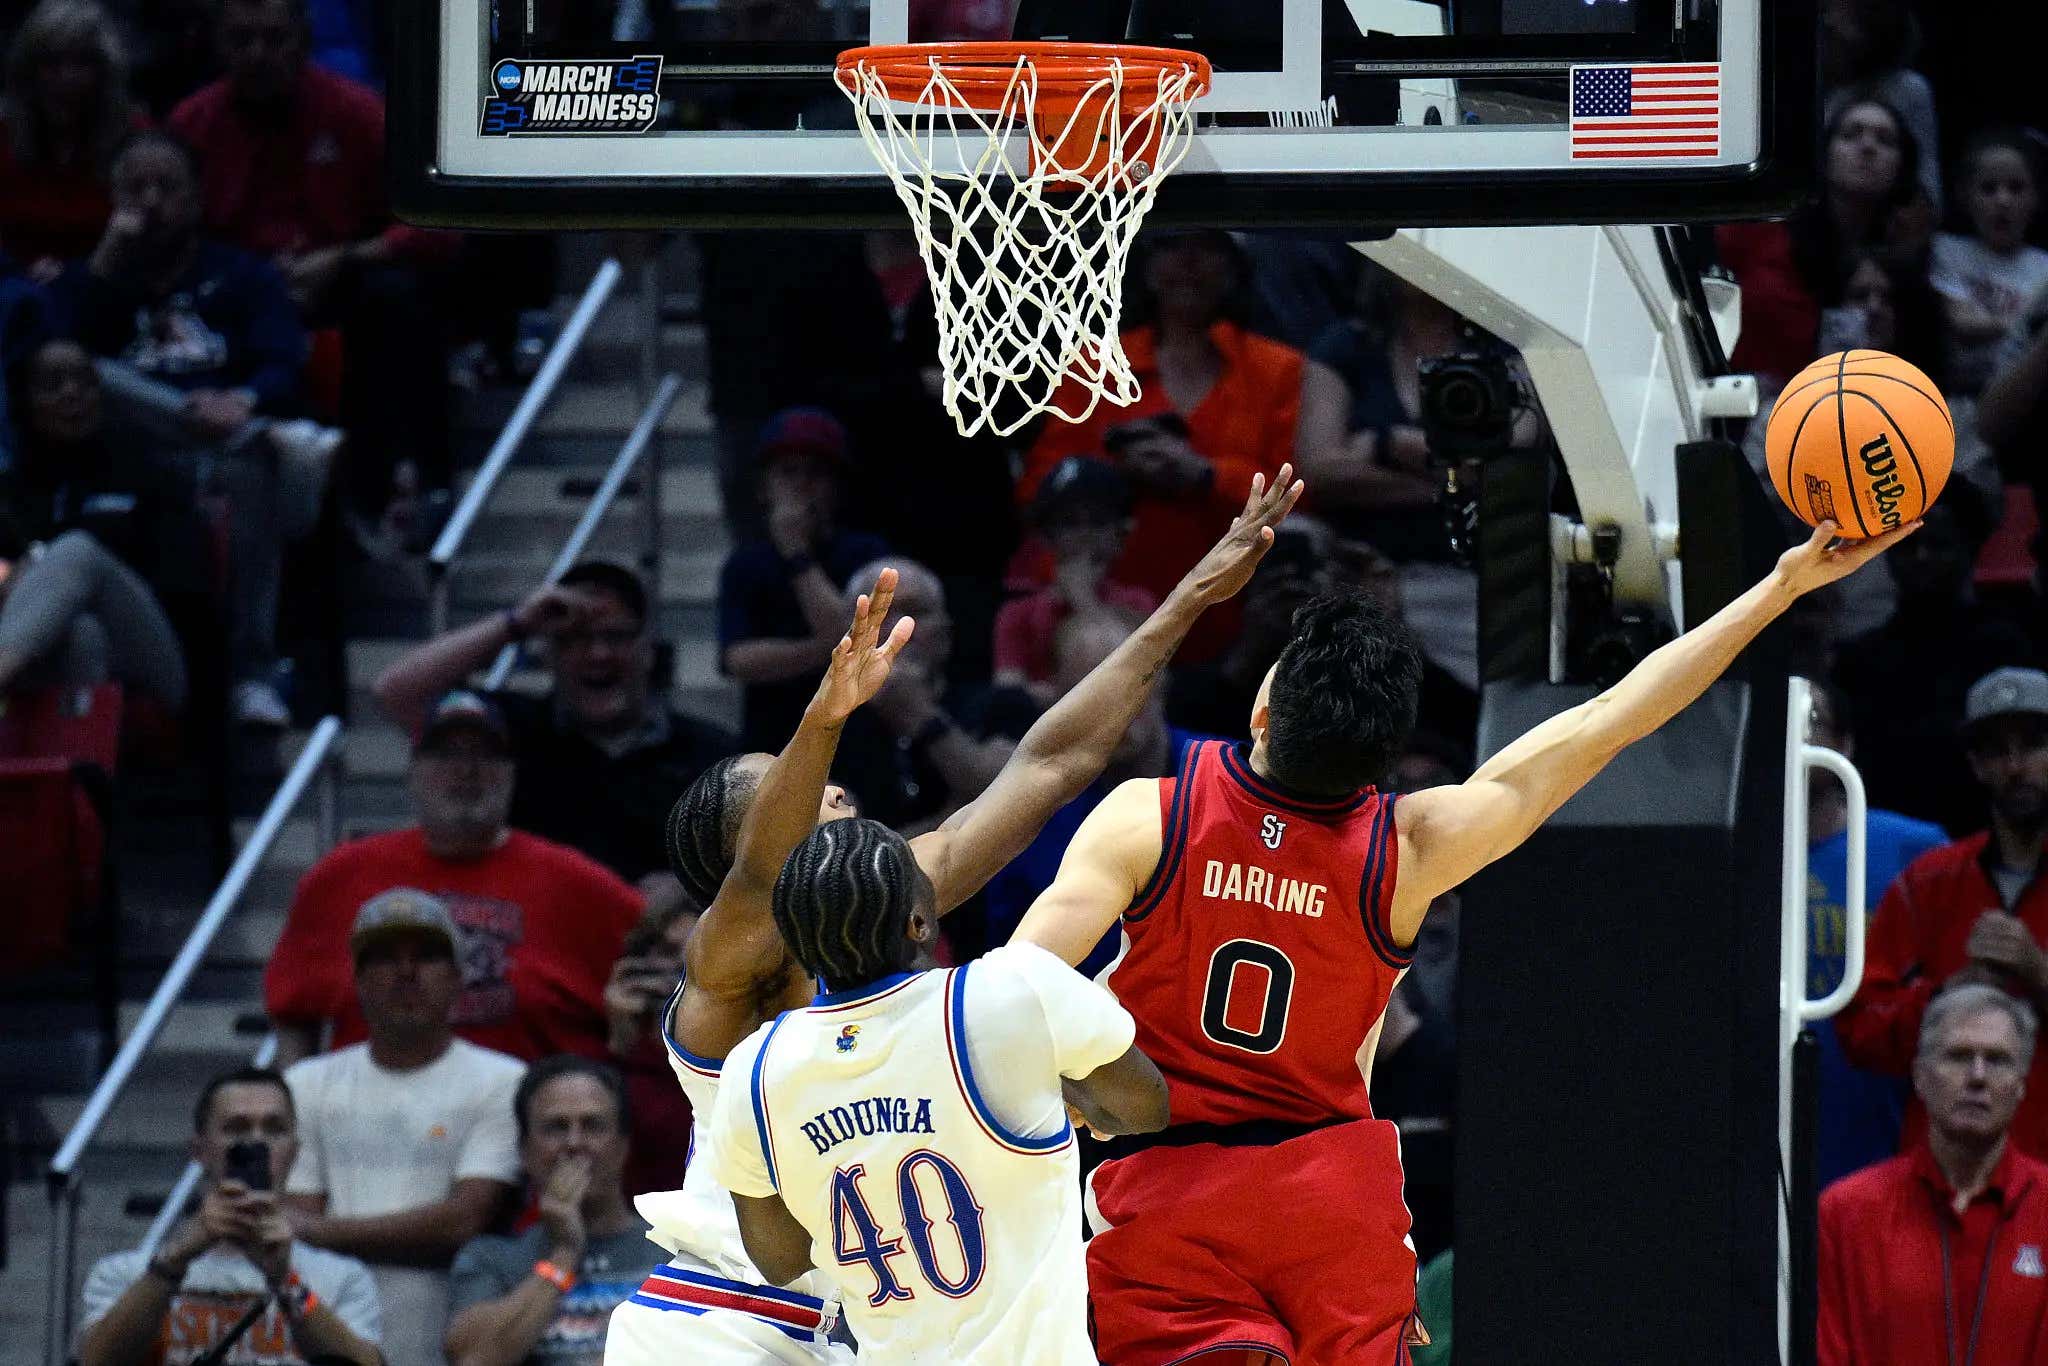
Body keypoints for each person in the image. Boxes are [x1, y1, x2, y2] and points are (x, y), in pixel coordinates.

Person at [1013, 518, 1914, 1363]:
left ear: (1262, 711)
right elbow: (1614, 720)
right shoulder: (1410, 847)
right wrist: (1781, 585)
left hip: (1173, 1192)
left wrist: (1084, 1066)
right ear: (1383, 762)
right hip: (1332, 1195)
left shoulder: (1150, 819)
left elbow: (1011, 993)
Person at [604, 472, 1301, 1364]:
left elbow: (1049, 765)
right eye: (795, 790)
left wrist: (1187, 600)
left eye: (816, 777)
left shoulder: (884, 901)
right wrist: (822, 717)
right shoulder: (729, 977)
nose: (831, 788)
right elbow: (755, 882)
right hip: (717, 1328)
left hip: (847, 1338)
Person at [700, 816, 1170, 1362]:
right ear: (920, 924)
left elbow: (779, 1258)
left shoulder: (752, 1069)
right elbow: (1144, 1106)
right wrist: (1051, 1083)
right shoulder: (1011, 990)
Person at [46, 128, 339, 726]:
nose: (151, 202)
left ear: (196, 197)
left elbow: (285, 358)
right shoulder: (92, 282)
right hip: (123, 449)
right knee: (92, 370)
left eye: (166, 187)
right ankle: (260, 438)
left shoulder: (239, 276)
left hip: (222, 453)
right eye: (135, 189)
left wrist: (246, 397)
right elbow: (53, 361)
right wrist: (104, 259)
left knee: (250, 472)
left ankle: (252, 677)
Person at [168, 0, 457, 525]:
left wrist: (343, 258)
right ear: (219, 46)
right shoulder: (193, 122)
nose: (258, 54)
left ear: (301, 41)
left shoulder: (355, 110)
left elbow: (437, 217)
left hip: (340, 282)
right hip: (229, 292)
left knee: (399, 298)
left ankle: (416, 482)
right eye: (242, 40)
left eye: (273, 39)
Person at [265, 689, 646, 1065]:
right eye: (445, 754)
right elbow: (293, 1016)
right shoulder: (340, 877)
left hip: (531, 1118)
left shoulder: (578, 885)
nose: (465, 771)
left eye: (485, 755)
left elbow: (672, 978)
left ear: (512, 771)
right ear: (412, 769)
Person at [1015, 229, 1304, 661]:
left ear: (1234, 266)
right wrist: (1116, 471)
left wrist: (1203, 474)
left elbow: (1301, 500)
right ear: (1147, 265)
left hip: (1235, 623)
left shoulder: (1277, 369)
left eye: (1207, 246)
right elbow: (1037, 489)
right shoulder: (1095, 363)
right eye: (1172, 244)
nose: (1188, 261)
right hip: (1100, 621)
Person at [372, 560, 737, 882]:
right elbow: (398, 692)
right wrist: (518, 623)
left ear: (649, 651)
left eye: (616, 636)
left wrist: (683, 891)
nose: (599, 653)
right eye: (574, 638)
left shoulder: (712, 756)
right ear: (548, 655)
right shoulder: (508, 732)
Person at [282, 888, 526, 1366]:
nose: (405, 973)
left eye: (426, 957)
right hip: (327, 1334)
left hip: (447, 1336)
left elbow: (465, 1221)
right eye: (384, 959)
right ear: (357, 979)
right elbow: (295, 1220)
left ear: (458, 978)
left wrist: (318, 1230)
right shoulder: (303, 1084)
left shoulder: (506, 1081)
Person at [1837, 667, 2048, 1160]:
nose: (2015, 766)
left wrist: (2039, 974)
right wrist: (1946, 997)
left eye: (2034, 745)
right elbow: (1859, 1033)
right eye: (1996, 750)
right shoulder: (1928, 882)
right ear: (1976, 765)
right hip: (1942, 1180)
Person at [77, 1067, 382, 1366]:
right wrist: (172, 1263)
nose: (256, 1142)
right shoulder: (125, 1274)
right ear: (199, 1150)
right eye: (236, 1128)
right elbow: (94, 1360)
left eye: (274, 1129)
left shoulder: (342, 1279)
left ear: (294, 1150)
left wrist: (286, 1282)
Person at [1819, 984, 2048, 1366]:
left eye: (1997, 1060)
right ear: (1920, 1077)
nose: (1977, 1076)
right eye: (1958, 1056)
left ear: (2021, 1086)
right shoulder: (1846, 1213)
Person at [981, 609, 1211, 972]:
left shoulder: (1233, 777)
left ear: (1161, 680)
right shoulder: (1031, 810)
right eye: (1093, 696)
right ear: (1059, 703)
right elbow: (1003, 967)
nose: (1115, 711)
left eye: (1132, 685)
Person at [1803, 681, 1947, 1190]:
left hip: (1885, 1111)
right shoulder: (1735, 855)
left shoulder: (1915, 848)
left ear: (1845, 745)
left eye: (1811, 719)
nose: (1795, 734)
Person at [446, 1057, 666, 1366]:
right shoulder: (490, 1258)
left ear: (623, 1145)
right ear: (523, 1150)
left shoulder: (672, 1252)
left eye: (593, 1126)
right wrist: (563, 1253)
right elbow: (476, 1357)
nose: (574, 1143)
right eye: (555, 1128)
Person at [1715, 92, 1929, 395]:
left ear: (1903, 167)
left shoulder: (1910, 261)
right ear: (1823, 153)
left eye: (1885, 140)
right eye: (1851, 134)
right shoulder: (1760, 228)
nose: (1868, 147)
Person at [715, 407, 891, 751]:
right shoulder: (745, 563)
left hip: (857, 734)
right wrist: (829, 650)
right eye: (787, 472)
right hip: (774, 735)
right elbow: (737, 659)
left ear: (836, 486)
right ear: (765, 486)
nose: (800, 486)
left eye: (814, 473)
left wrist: (797, 554)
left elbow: (862, 640)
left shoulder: (867, 554)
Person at [992, 457, 1156, 708]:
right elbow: (1009, 695)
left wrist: (1082, 599)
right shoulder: (1018, 613)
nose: (1085, 535)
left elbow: (1135, 684)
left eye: (1099, 522)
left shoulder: (1139, 603)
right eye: (1070, 523)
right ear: (1047, 536)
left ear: (1120, 535)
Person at [0, 0, 145, 274]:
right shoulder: (3, 136)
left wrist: (73, 276)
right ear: (28, 71)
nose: (66, 78)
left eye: (80, 63)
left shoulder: (136, 141)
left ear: (103, 71)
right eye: (52, 63)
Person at [1932, 130, 2048, 397]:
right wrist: (2021, 327)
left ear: (2036, 198)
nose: (2003, 201)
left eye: (2016, 188)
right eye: (1988, 189)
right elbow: (1960, 321)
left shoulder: (2043, 268)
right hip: (1955, 394)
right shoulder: (1947, 251)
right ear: (1966, 196)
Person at [602, 889, 702, 1197]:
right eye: (670, 951)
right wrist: (621, 1043)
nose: (680, 969)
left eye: (697, 951)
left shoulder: (752, 1056)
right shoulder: (609, 1055)